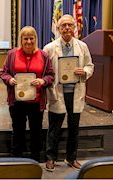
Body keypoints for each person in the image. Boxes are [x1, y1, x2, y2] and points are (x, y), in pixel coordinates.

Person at [43, 14, 94, 171]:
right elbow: (45, 71)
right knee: (54, 128)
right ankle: (51, 158)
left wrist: (84, 71)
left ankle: (71, 157)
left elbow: (90, 66)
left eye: (69, 25)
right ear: (58, 29)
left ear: (74, 28)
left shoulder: (82, 46)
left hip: (75, 92)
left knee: (74, 128)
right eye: (63, 25)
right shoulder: (49, 48)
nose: (66, 28)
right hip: (57, 93)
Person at [0, 26, 54, 162]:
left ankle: (35, 160)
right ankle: (17, 160)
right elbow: (3, 73)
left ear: (35, 39)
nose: (29, 41)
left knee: (36, 131)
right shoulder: (12, 54)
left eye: (31, 38)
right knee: (18, 131)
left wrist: (42, 80)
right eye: (25, 38)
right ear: (21, 40)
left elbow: (51, 75)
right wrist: (9, 79)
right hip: (17, 101)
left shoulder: (44, 55)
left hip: (36, 101)